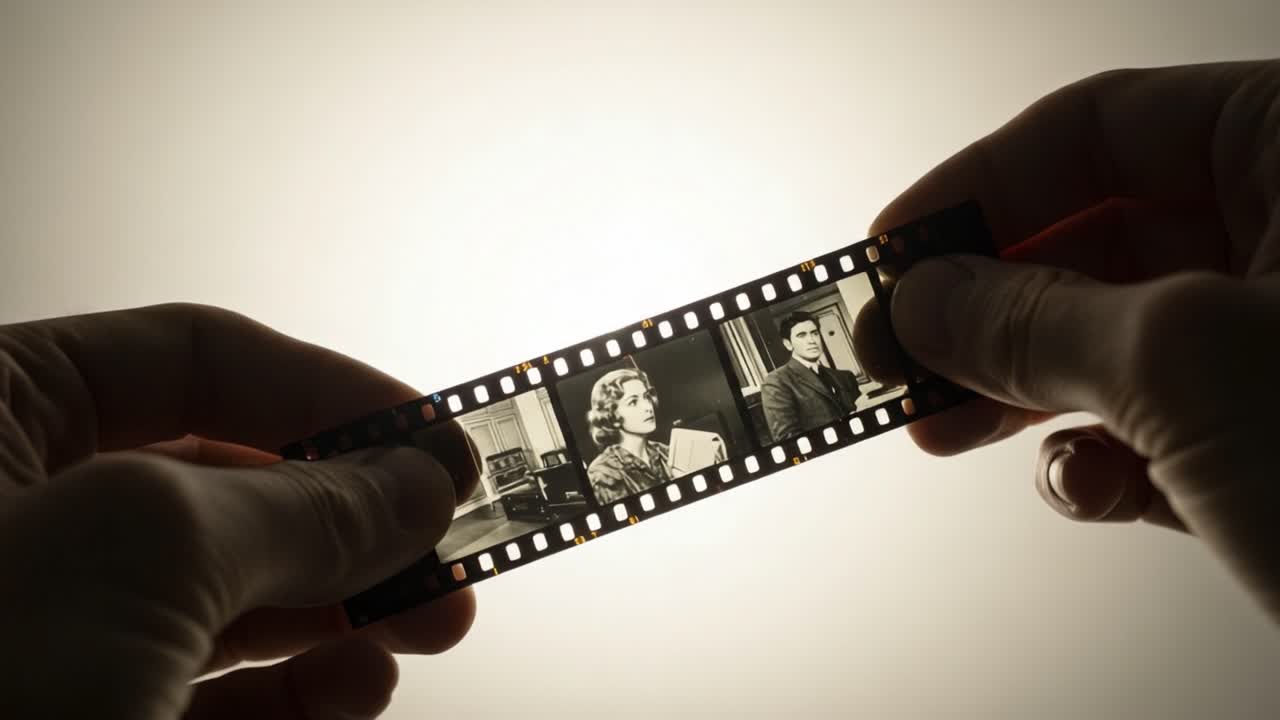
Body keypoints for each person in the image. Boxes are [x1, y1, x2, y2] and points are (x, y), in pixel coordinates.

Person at [1, 58, 1277, 718]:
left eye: (619, 407)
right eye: (609, 410)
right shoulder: (608, 458)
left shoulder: (732, 407)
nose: (623, 412)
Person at [759, 310, 862, 442]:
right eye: (802, 335)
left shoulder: (845, 376)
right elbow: (787, 438)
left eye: (815, 333)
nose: (812, 340)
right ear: (788, 344)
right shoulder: (776, 381)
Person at [583, 367, 672, 503]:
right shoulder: (603, 472)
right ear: (612, 415)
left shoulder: (666, 452)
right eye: (633, 402)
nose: (648, 407)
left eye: (646, 397)